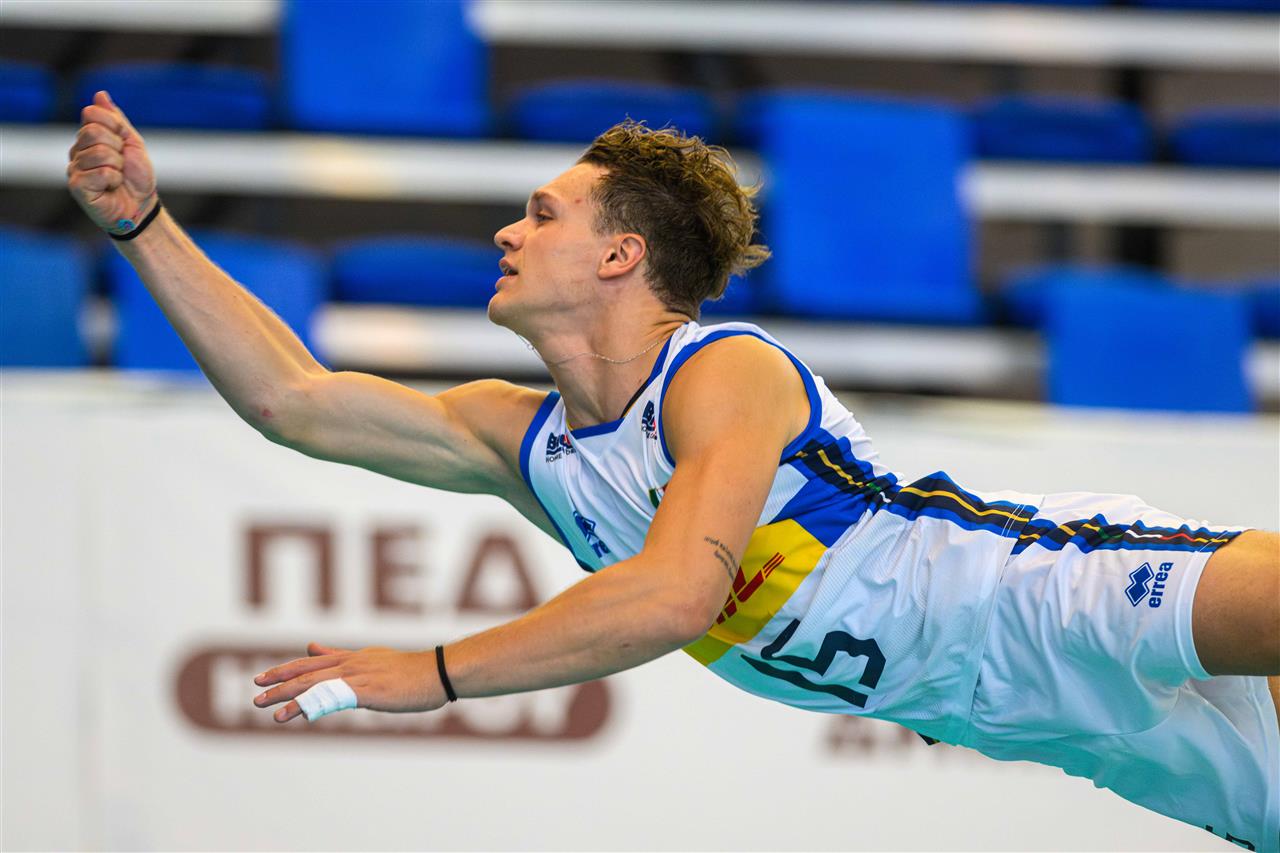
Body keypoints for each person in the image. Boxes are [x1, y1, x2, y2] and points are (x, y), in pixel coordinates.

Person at [68, 90, 1278, 849]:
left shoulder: (720, 370)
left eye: (542, 213)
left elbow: (674, 594)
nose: (505, 230)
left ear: (620, 256)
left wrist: (428, 672)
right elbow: (291, 399)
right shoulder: (523, 441)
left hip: (1036, 589)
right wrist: (143, 227)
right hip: (1010, 714)